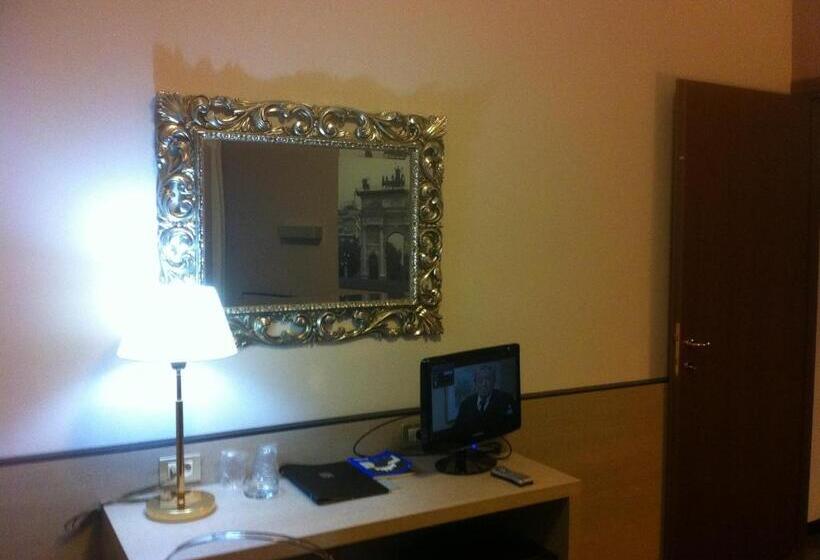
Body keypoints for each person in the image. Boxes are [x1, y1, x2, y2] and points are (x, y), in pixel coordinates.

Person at [454, 363, 515, 438]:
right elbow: (457, 431)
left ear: (494, 381)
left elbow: (511, 425)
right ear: (475, 383)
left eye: (488, 379)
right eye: (480, 380)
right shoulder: (465, 404)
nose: (484, 384)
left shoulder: (506, 399)